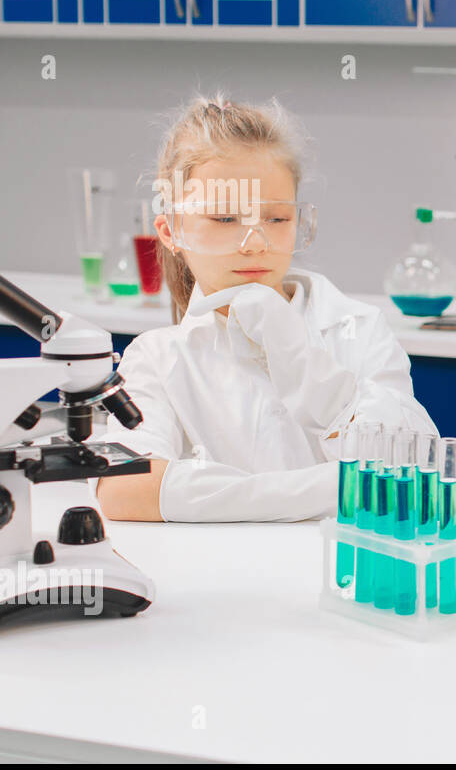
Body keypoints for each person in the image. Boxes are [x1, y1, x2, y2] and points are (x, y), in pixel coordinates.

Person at [94, 95, 435, 522]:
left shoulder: (357, 329)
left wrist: (317, 378)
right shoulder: (155, 358)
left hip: (344, 577)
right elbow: (124, 490)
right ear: (171, 230)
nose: (256, 241)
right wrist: (342, 486)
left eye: (276, 218)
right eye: (224, 219)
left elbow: (412, 479)